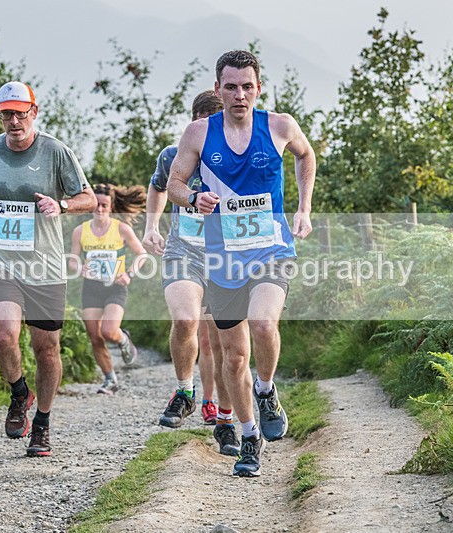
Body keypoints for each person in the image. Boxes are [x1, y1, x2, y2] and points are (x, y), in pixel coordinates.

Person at [167, 50, 316, 477]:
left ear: (258, 89)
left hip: (271, 249)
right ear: (218, 89)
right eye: (230, 87)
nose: (239, 95)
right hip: (222, 257)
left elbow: (306, 156)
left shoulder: (280, 125)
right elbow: (175, 183)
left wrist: (304, 208)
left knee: (264, 324)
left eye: (247, 86)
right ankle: (249, 436)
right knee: (232, 355)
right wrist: (194, 198)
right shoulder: (198, 133)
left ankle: (266, 390)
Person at [0, 81, 96, 457]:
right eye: (6, 114)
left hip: (45, 267)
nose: (13, 121)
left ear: (33, 113)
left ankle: (42, 422)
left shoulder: (56, 151)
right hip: (1, 261)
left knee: (47, 348)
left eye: (19, 113)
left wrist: (63, 206)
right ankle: (19, 393)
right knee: (3, 335)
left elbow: (87, 197)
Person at [143, 90, 239, 456]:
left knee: (223, 342)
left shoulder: (236, 157)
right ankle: (185, 391)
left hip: (226, 256)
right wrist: (151, 226)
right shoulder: (172, 155)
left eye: (209, 125)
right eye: (196, 123)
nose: (201, 131)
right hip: (183, 250)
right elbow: (157, 187)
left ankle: (226, 419)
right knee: (185, 320)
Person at [68, 183, 147, 395]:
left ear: (111, 207)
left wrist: (128, 274)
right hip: (91, 288)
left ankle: (124, 339)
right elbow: (72, 260)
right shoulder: (80, 231)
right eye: (96, 205)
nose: (100, 209)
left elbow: (142, 255)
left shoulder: (121, 229)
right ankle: (110, 379)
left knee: (109, 331)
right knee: (95, 336)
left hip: (115, 287)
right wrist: (80, 267)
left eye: (104, 205)